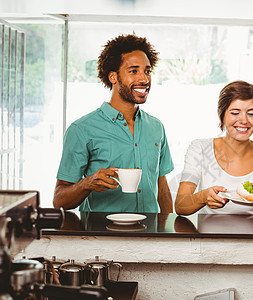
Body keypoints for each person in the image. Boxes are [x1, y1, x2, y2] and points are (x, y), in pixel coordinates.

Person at [53, 34, 174, 213]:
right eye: (133, 71)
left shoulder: (156, 127)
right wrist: (87, 184)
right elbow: (59, 200)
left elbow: (161, 186)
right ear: (113, 77)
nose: (144, 79)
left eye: (147, 71)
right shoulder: (81, 130)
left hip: (151, 235)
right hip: (102, 237)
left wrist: (168, 231)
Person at [175, 80, 253, 215]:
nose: (244, 120)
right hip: (208, 235)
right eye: (234, 113)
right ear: (222, 115)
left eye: (251, 113)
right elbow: (180, 205)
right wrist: (202, 197)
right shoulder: (200, 149)